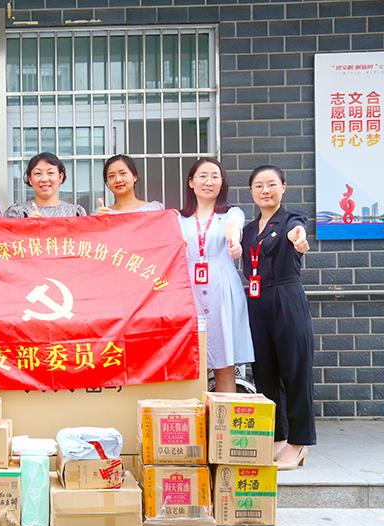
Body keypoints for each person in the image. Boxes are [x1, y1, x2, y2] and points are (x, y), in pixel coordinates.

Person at [241, 165, 315, 471]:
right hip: (256, 302)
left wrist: (299, 238)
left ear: (283, 187)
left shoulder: (291, 219)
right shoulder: (247, 229)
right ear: (251, 193)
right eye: (258, 185)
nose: (265, 190)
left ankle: (298, 444)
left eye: (272, 184)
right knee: (265, 373)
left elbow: (298, 232)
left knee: (295, 371)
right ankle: (278, 436)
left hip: (286, 297)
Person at [177, 158, 254, 392]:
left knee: (224, 364)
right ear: (191, 182)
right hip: (188, 290)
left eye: (215, 176)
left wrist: (233, 242)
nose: (208, 182)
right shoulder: (177, 218)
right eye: (202, 176)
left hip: (222, 289)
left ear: (222, 183)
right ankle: (196, 424)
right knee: (190, 364)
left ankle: (223, 426)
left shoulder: (232, 213)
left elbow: (234, 228)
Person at [3, 152, 87, 217]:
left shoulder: (75, 213)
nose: (44, 179)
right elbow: (7, 238)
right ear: (30, 179)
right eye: (38, 173)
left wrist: (100, 221)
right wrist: (26, 227)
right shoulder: (17, 213)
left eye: (50, 173)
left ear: (60, 177)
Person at [95, 155, 164, 215]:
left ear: (134, 177)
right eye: (112, 176)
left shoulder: (154, 210)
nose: (118, 180)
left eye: (123, 173)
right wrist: (100, 221)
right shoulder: (101, 214)